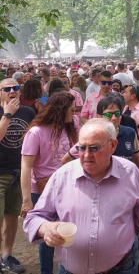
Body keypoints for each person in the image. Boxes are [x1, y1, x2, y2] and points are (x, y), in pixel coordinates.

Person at [23, 119, 139, 274]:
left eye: (94, 148)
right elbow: (33, 219)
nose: (86, 155)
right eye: (81, 147)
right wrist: (46, 228)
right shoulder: (62, 176)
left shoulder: (130, 173)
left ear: (113, 146)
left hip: (121, 268)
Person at [20, 92, 78, 274]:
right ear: (60, 110)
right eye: (71, 110)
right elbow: (26, 167)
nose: (74, 113)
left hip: (67, 186)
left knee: (66, 229)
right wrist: (26, 200)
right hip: (42, 190)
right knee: (48, 234)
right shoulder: (36, 132)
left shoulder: (70, 127)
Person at [0, 78, 35, 273]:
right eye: (7, 89)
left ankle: (6, 256)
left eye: (15, 88)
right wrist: (7, 115)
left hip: (18, 172)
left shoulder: (28, 112)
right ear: (0, 92)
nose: (12, 91)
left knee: (12, 218)